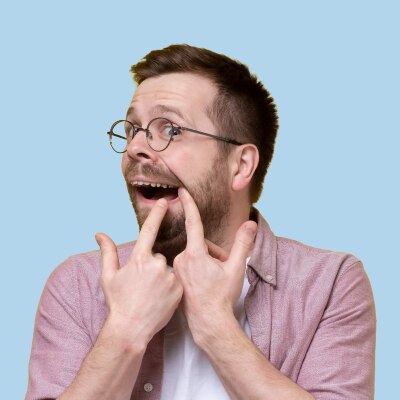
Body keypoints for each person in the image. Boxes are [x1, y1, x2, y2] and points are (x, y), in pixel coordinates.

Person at [26, 44, 376, 400]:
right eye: (133, 129)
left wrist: (216, 324)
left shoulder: (329, 283)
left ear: (241, 165)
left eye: (171, 130)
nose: (135, 148)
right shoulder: (77, 285)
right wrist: (124, 331)